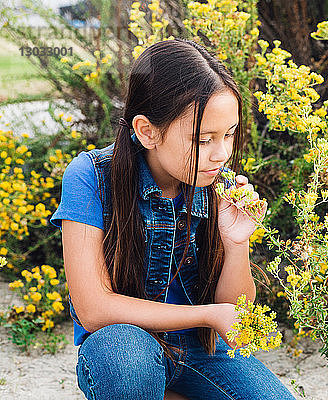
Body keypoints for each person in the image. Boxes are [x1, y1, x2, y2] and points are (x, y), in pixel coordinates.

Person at [49, 38, 296, 400]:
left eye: (228, 135)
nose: (221, 154)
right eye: (203, 140)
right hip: (125, 344)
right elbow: (94, 309)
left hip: (202, 353)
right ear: (148, 131)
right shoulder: (90, 176)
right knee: (130, 364)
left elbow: (236, 319)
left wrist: (236, 241)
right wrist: (207, 316)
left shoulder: (216, 182)